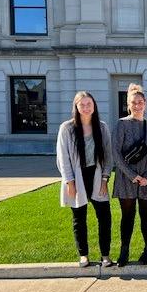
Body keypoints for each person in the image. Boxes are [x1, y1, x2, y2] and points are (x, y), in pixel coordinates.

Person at [56, 91, 113, 268]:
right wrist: (69, 182)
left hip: (96, 176)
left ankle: (105, 255)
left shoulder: (102, 127)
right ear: (76, 107)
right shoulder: (67, 128)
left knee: (104, 217)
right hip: (77, 178)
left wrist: (105, 179)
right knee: (79, 218)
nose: (86, 107)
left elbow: (108, 156)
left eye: (89, 104)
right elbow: (62, 157)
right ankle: (83, 255)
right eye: (82, 105)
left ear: (94, 106)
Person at [112, 84, 147, 267]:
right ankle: (124, 250)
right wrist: (132, 175)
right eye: (134, 102)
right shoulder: (121, 124)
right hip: (126, 178)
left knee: (146, 215)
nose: (137, 105)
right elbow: (116, 153)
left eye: (141, 102)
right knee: (127, 216)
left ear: (145, 104)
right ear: (128, 104)